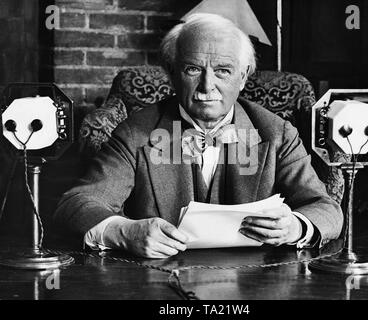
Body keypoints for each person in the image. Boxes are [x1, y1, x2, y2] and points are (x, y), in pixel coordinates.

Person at [55, 13, 343, 259]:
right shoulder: (135, 133)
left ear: (243, 77)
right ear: (172, 73)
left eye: (223, 71)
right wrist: (123, 232)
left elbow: (325, 208)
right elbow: (75, 204)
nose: (207, 86)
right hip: (156, 280)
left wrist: (296, 225)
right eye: (193, 69)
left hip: (258, 281)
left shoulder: (277, 133)